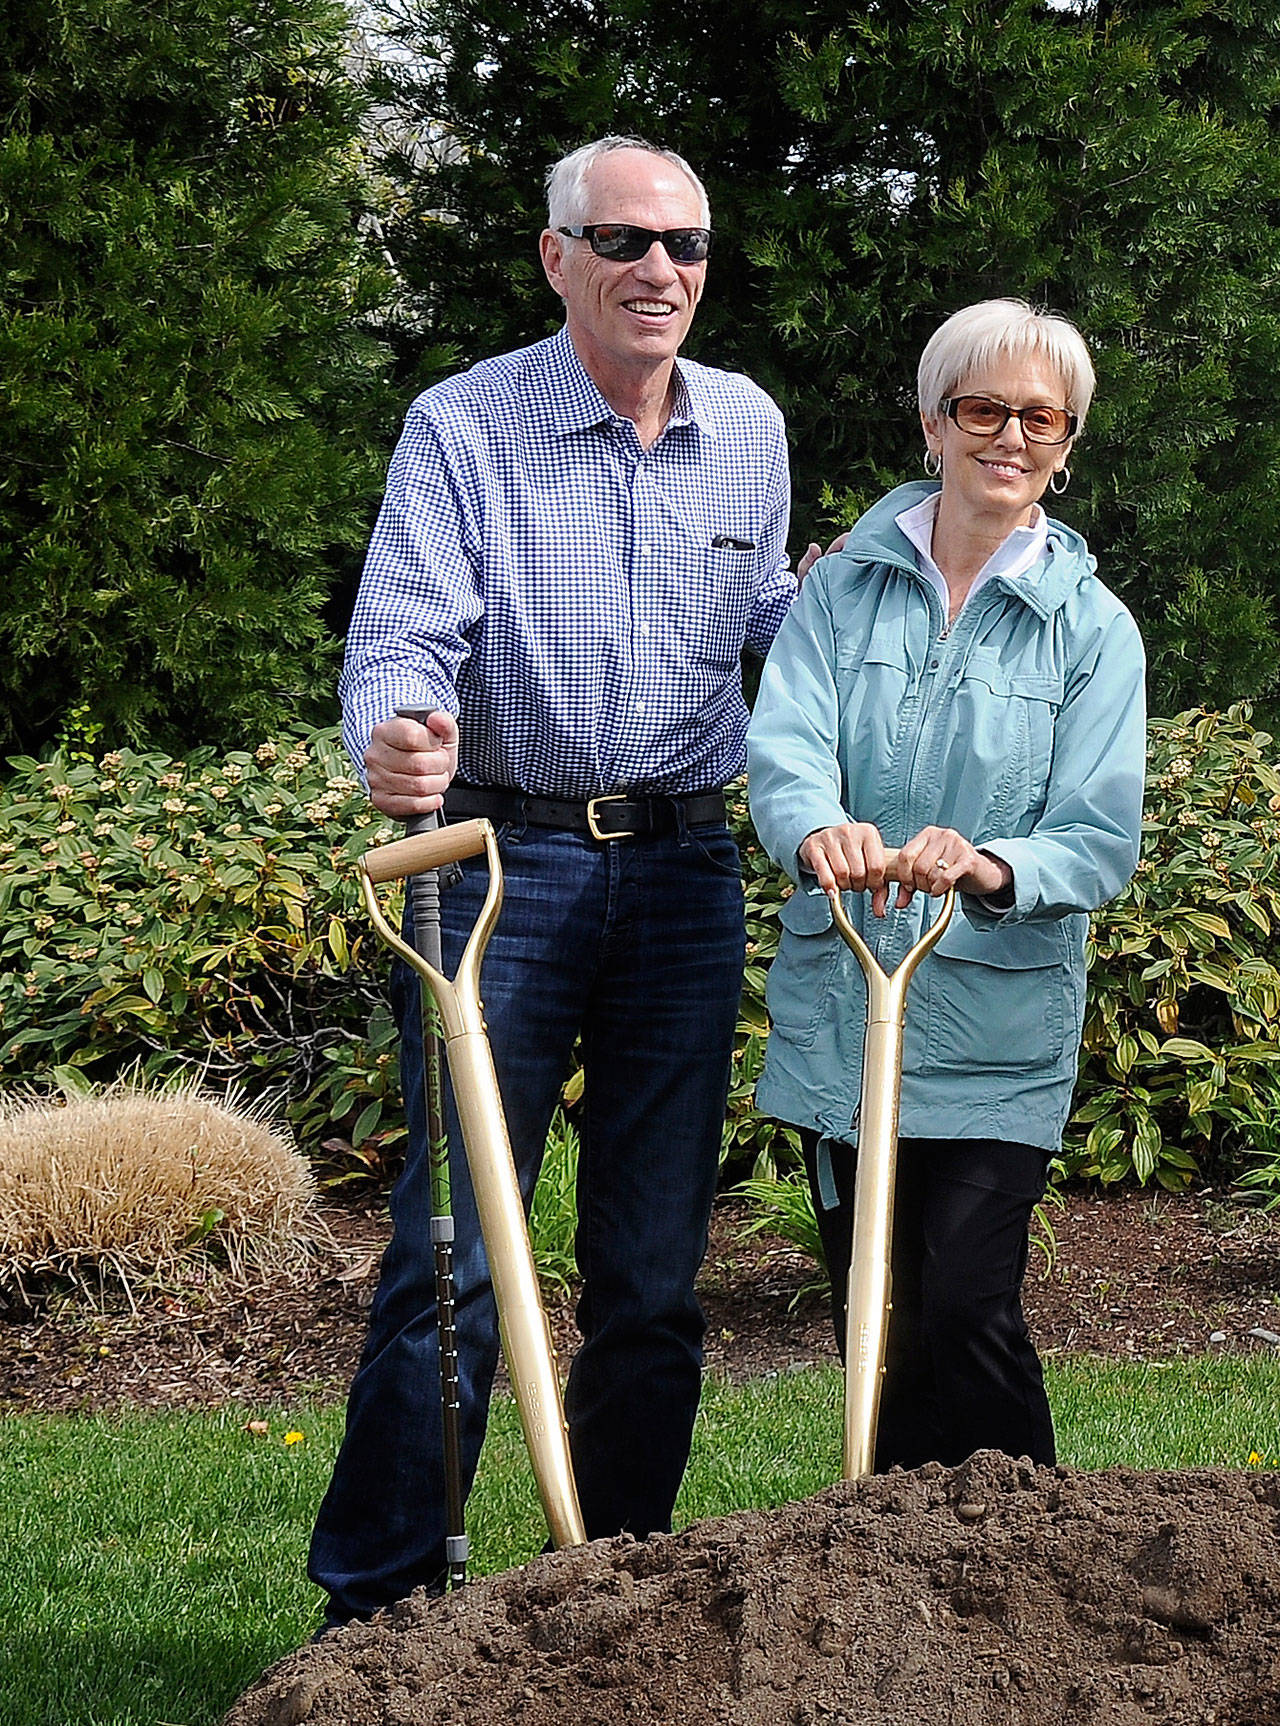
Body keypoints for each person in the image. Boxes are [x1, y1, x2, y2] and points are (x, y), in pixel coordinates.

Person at [309, 135, 801, 1626]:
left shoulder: (750, 428)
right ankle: (379, 1614)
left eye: (690, 247)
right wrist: (399, 738)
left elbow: (772, 617)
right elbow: (400, 632)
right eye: (627, 241)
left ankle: (621, 1593)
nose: (663, 270)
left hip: (684, 869)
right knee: (454, 1258)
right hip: (499, 866)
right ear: (556, 257)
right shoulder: (465, 425)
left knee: (653, 1273)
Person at [746, 299, 1146, 1472]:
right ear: (934, 421)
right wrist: (817, 825)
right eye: (982, 409)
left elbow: (1096, 833)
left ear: (1065, 444)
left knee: (968, 1311)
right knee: (877, 1322)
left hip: (994, 1020)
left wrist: (983, 862)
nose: (1008, 437)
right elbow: (786, 748)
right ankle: (896, 1601)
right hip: (844, 1005)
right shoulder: (838, 591)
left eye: (1039, 417)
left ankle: (1031, 1569)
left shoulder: (1089, 629)